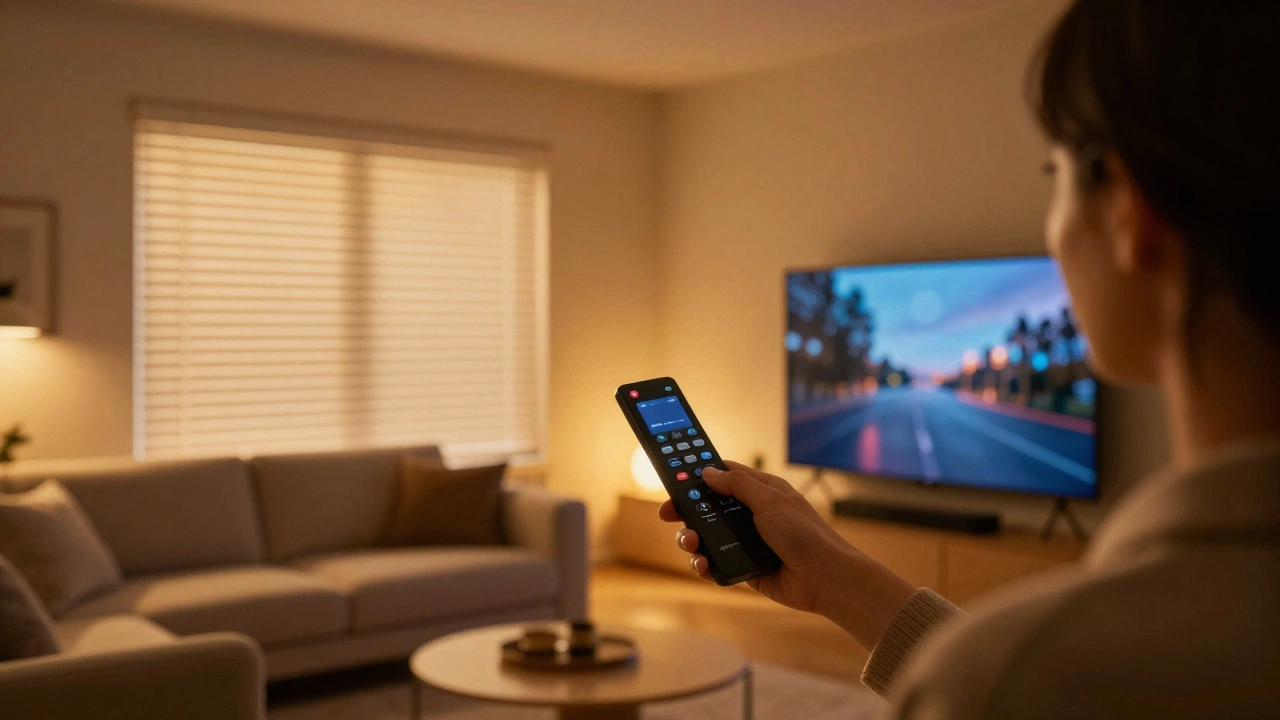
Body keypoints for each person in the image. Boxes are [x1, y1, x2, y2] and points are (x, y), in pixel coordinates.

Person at [660, 2, 1280, 717]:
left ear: (1131, 214)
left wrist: (974, 671)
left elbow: (1013, 684)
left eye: (1055, 172)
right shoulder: (1024, 671)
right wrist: (836, 577)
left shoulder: (1027, 677)